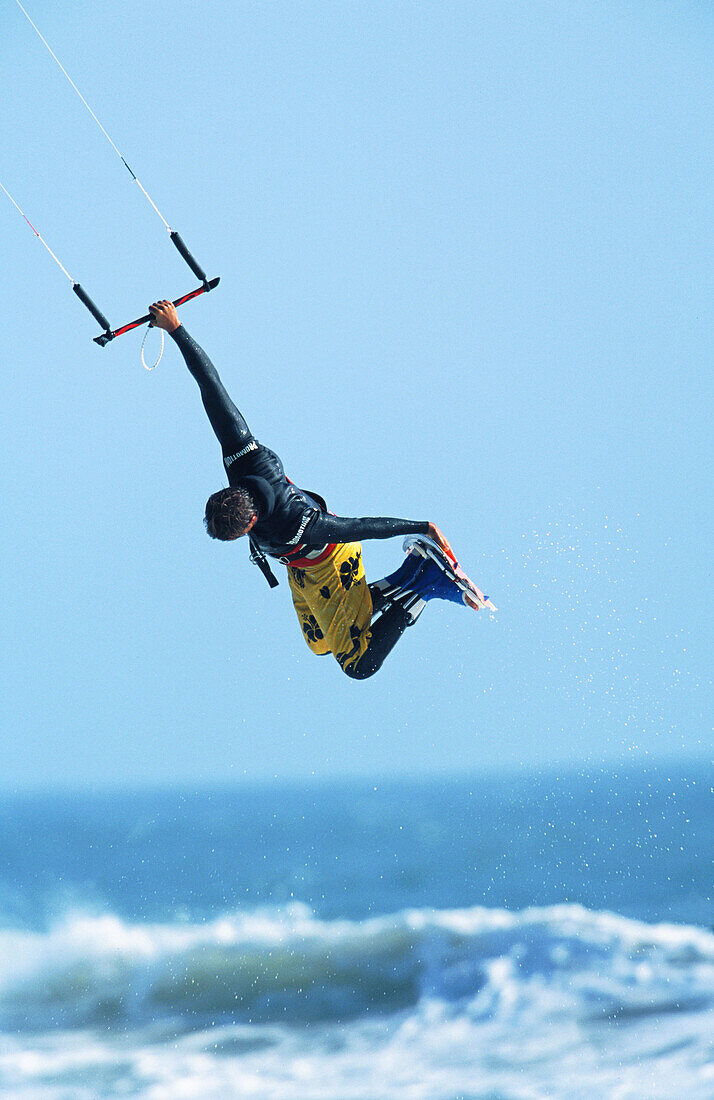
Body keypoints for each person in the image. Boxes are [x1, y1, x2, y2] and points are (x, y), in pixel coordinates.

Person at [149, 300, 469, 679]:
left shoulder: (297, 521)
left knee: (357, 663)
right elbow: (211, 387)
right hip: (301, 570)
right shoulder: (240, 459)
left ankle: (424, 583)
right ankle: (408, 576)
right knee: (319, 642)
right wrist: (176, 329)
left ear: (250, 519)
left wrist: (420, 526)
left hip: (332, 560)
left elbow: (359, 526)